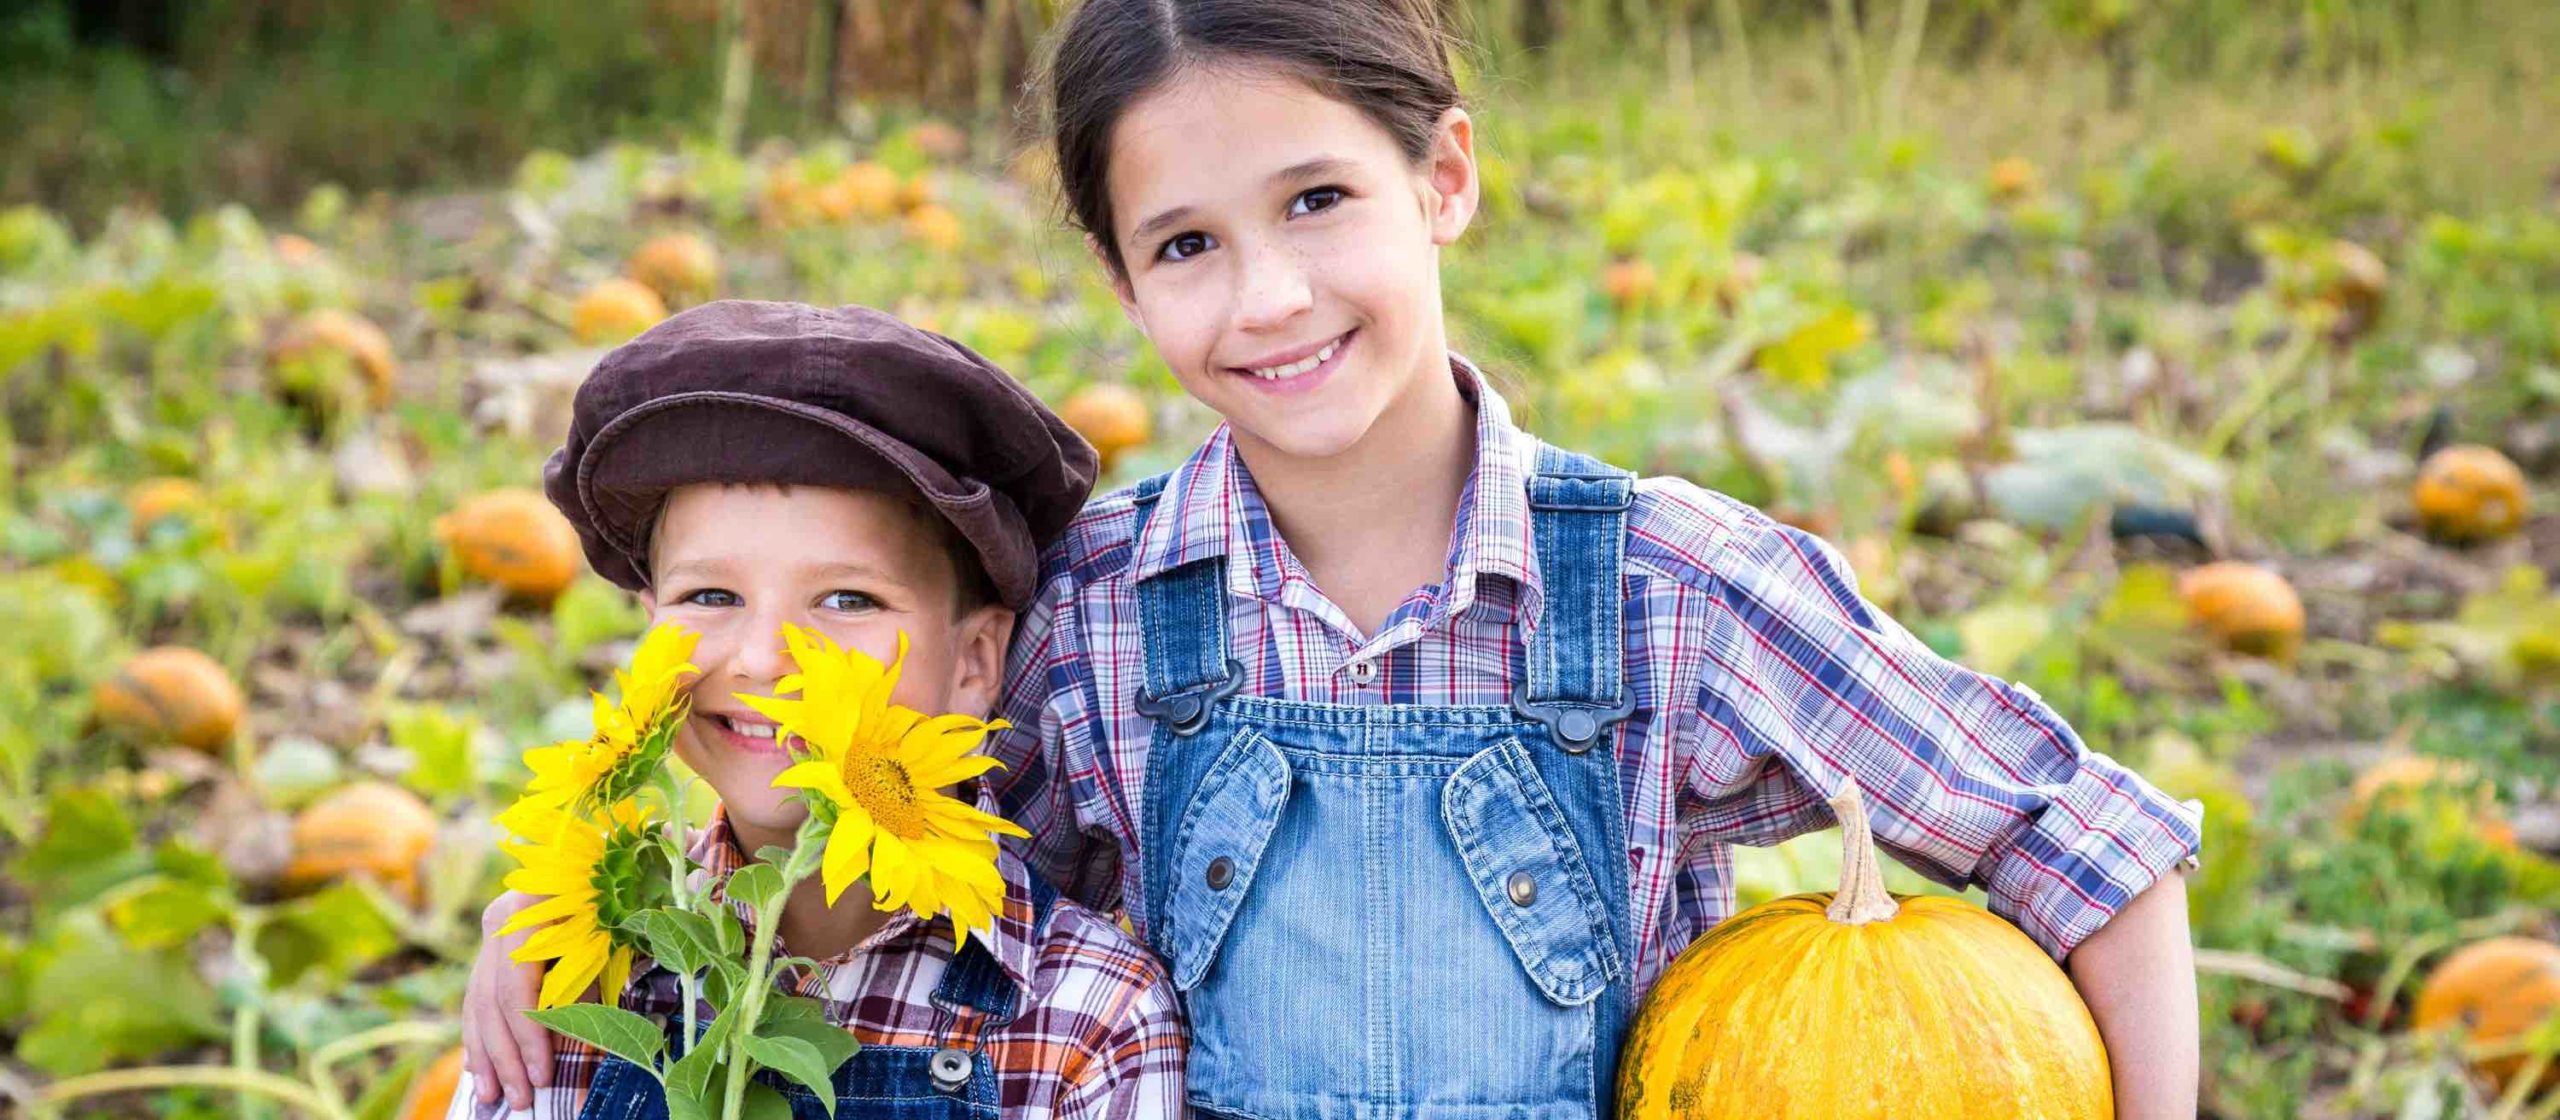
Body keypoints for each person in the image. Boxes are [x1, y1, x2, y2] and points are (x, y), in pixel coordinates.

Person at [471, 1, 2206, 1115]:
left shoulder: (1676, 589)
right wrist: (567, 925)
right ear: (1128, 282)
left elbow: (2090, 845)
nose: (1271, 299)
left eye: (1319, 202)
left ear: (1442, 176)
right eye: (1188, 243)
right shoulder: (1093, 612)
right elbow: (834, 820)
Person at [449, 300, 1184, 1118]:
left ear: (976, 661)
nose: (764, 658)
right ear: (652, 628)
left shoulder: (1086, 1020)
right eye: (712, 594)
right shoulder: (569, 969)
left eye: (846, 599)